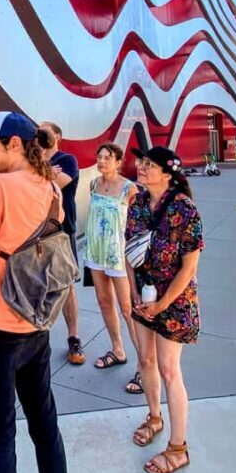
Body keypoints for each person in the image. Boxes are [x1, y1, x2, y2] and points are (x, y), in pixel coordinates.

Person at [0, 111, 68, 473]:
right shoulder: (52, 187)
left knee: (0, 430)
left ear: (15, 144)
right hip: (36, 324)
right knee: (44, 423)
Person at [126, 146, 203, 473]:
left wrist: (162, 303)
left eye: (148, 165)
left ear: (168, 174)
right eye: (141, 163)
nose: (140, 168)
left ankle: (178, 447)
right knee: (145, 360)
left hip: (174, 302)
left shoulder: (185, 210)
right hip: (143, 298)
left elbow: (188, 268)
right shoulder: (138, 203)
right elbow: (128, 248)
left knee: (170, 370)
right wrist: (133, 293)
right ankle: (154, 417)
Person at [83, 143, 142, 394]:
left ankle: (144, 364)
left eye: (108, 157)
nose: (102, 160)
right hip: (96, 250)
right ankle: (118, 350)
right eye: (100, 156)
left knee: (128, 309)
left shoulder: (130, 189)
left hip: (119, 254)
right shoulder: (94, 184)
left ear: (119, 161)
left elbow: (139, 224)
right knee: (104, 302)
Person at [40, 122, 85, 366]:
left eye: (45, 131)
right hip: (35, 232)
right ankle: (37, 339)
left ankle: (73, 337)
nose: (40, 134)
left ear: (57, 135)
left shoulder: (67, 159)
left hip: (61, 231)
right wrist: (46, 172)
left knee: (66, 285)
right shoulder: (34, 161)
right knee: (38, 284)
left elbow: (59, 185)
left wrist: (41, 174)